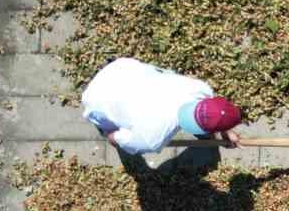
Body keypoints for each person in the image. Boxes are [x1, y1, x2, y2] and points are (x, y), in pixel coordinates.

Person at [80, 57, 244, 155]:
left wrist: (225, 130)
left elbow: (215, 111)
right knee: (115, 134)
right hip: (94, 101)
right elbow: (112, 138)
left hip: (119, 69)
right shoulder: (150, 140)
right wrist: (122, 140)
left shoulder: (200, 88)